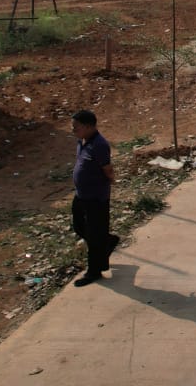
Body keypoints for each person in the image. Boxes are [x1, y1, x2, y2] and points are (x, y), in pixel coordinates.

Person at [71, 109, 118, 287]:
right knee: (79, 226)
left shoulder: (99, 145)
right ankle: (107, 240)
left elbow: (107, 168)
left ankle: (94, 271)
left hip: (96, 198)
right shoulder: (82, 141)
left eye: (76, 127)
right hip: (81, 195)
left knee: (94, 234)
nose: (73, 130)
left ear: (89, 127)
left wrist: (111, 180)